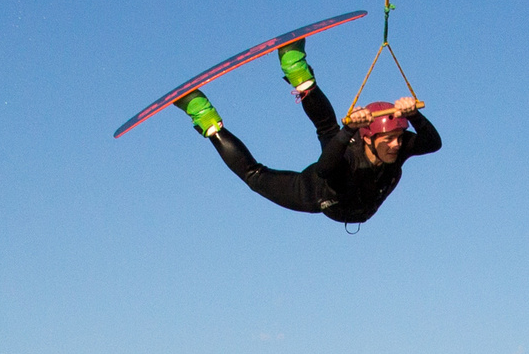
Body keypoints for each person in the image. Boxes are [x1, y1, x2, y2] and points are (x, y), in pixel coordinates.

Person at [174, 39, 439, 224]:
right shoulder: (350, 152)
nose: (395, 145)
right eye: (389, 139)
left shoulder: (398, 148)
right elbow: (325, 169)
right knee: (257, 175)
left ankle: (203, 110)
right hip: (318, 193)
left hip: (357, 203)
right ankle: (205, 114)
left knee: (330, 133)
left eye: (398, 138)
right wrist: (348, 130)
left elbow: (433, 143)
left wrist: (413, 114)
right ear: (368, 138)